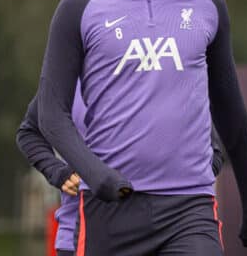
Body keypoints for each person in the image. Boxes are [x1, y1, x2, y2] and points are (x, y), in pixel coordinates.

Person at [34, 0, 247, 255]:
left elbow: (231, 113)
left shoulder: (208, 5)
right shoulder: (80, 7)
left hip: (189, 208)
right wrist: (98, 176)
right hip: (109, 209)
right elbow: (50, 114)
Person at [16, 81, 225, 256]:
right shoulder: (69, 79)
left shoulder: (171, 77)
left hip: (170, 232)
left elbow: (214, 151)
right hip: (82, 234)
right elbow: (29, 132)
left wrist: (184, 176)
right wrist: (58, 172)